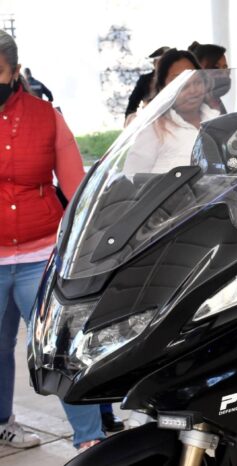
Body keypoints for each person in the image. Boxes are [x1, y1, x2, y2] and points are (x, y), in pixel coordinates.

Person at [0, 30, 104, 451]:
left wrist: (86, 242)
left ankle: (90, 440)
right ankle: (3, 422)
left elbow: (76, 185)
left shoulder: (45, 116)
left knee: (59, 347)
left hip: (41, 252)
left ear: (15, 71)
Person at [123, 49, 218, 173]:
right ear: (163, 88)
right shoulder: (154, 128)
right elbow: (132, 177)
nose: (193, 90)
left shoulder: (215, 119)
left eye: (197, 82)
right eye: (182, 85)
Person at [124, 46, 170, 124]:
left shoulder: (179, 78)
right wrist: (129, 119)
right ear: (154, 63)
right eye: (161, 62)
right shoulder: (145, 80)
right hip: (151, 120)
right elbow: (133, 102)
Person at [188, 41, 229, 113]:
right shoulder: (190, 104)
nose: (224, 73)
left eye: (225, 67)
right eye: (215, 67)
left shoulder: (214, 99)